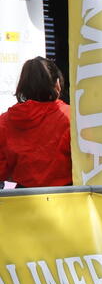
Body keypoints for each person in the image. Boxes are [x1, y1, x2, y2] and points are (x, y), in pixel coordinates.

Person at [0, 57, 71, 188]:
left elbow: (2, 170)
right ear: (57, 84)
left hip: (23, 198)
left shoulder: (5, 121)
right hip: (66, 197)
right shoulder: (71, 117)